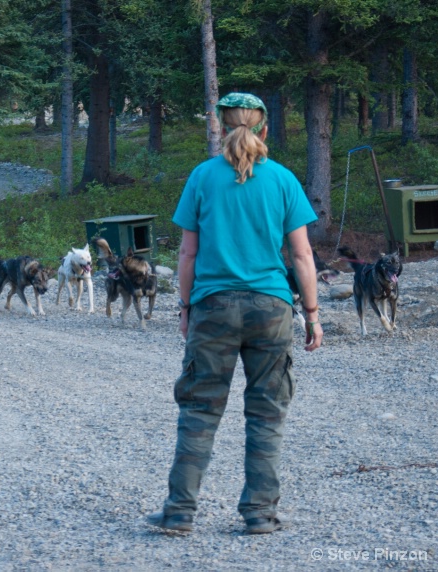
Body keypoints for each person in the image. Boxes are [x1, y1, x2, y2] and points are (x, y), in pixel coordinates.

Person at [147, 93, 324, 536]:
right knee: (266, 413)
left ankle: (179, 513)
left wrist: (186, 308)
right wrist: (313, 314)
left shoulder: (203, 177)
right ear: (264, 129)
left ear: (222, 127)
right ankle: (260, 514)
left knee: (200, 411)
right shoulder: (282, 180)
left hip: (213, 307)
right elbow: (301, 255)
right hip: (271, 308)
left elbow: (188, 252)